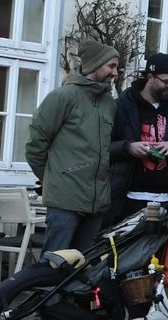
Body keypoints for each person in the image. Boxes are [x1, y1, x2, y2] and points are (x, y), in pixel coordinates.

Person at [25, 40, 119, 256]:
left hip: (97, 203)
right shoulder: (63, 97)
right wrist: (54, 179)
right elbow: (35, 145)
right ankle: (47, 291)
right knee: (55, 262)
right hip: (65, 200)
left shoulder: (109, 103)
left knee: (82, 267)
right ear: (95, 65)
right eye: (111, 66)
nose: (115, 73)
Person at [109, 53, 168, 220]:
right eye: (167, 82)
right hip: (127, 199)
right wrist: (128, 147)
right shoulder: (121, 107)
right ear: (150, 77)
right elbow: (103, 148)